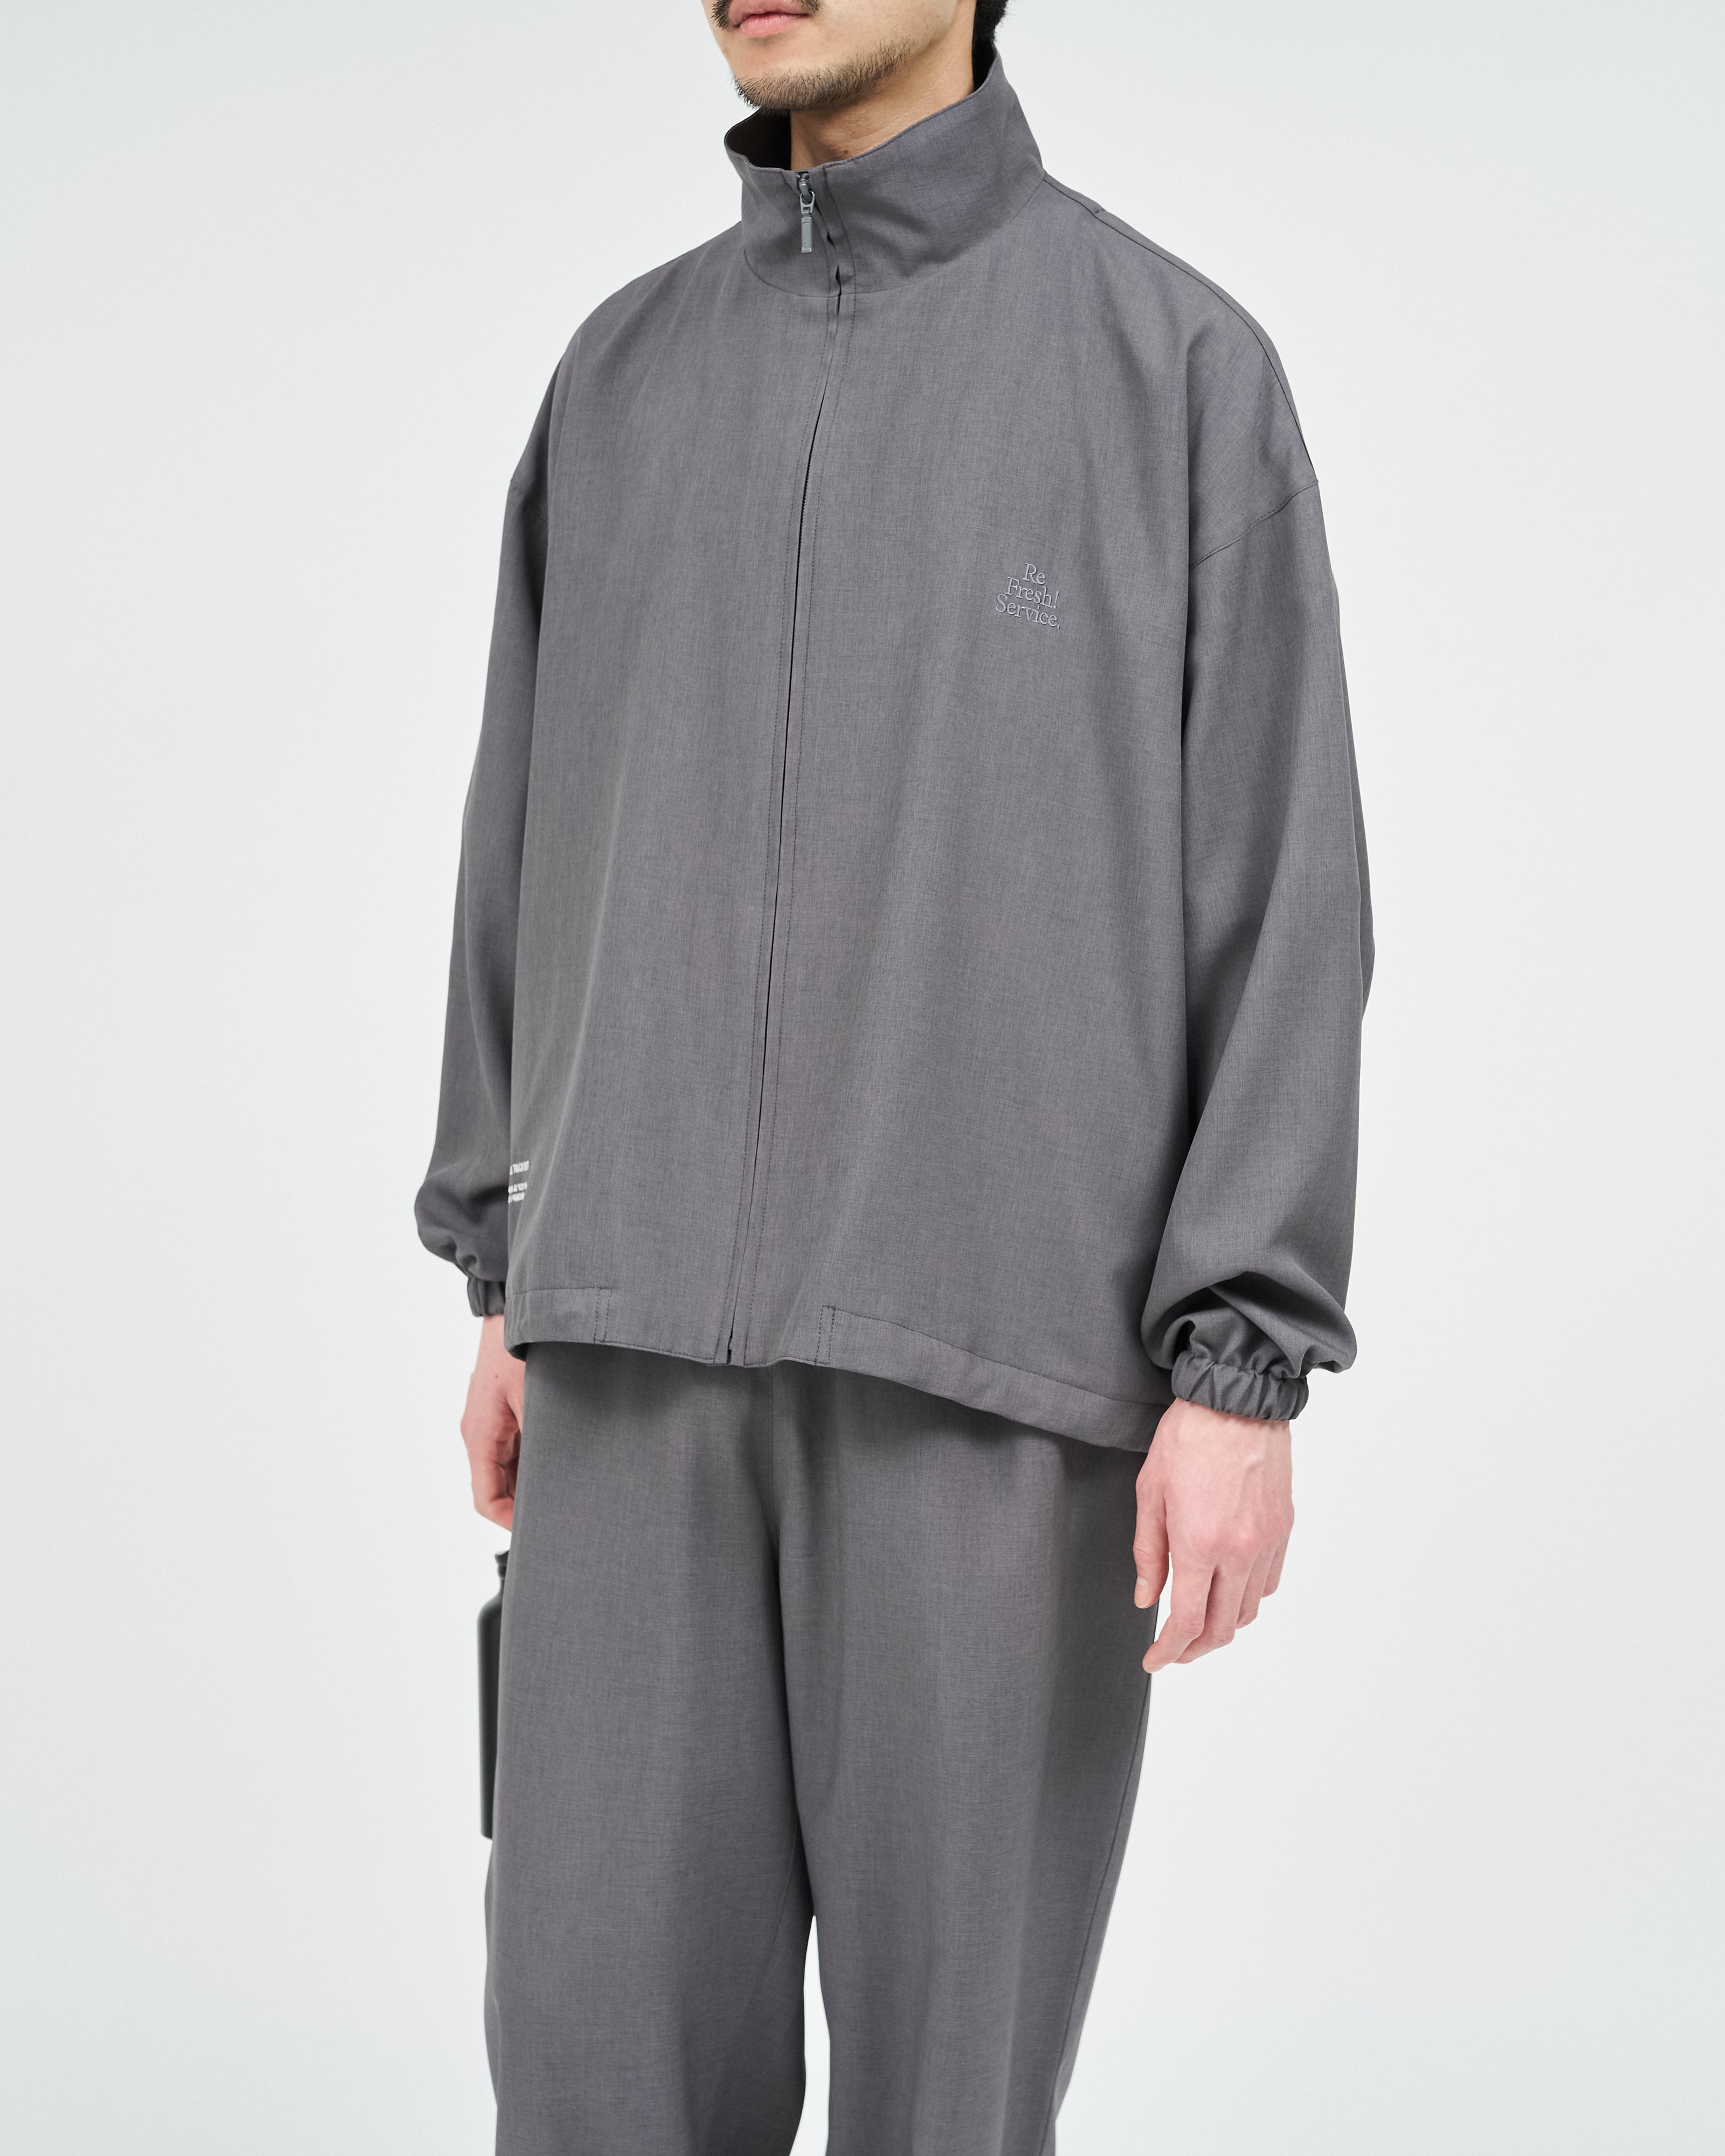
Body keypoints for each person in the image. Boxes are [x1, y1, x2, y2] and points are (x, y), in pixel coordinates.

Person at [416, 2, 1372, 2148]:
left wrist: (1241, 1369)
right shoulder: (620, 379)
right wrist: (501, 1260)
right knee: (588, 2076)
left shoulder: (1172, 374)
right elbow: (523, 838)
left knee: (950, 2112)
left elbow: (1281, 890)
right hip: (625, 1356)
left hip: (997, 1383)